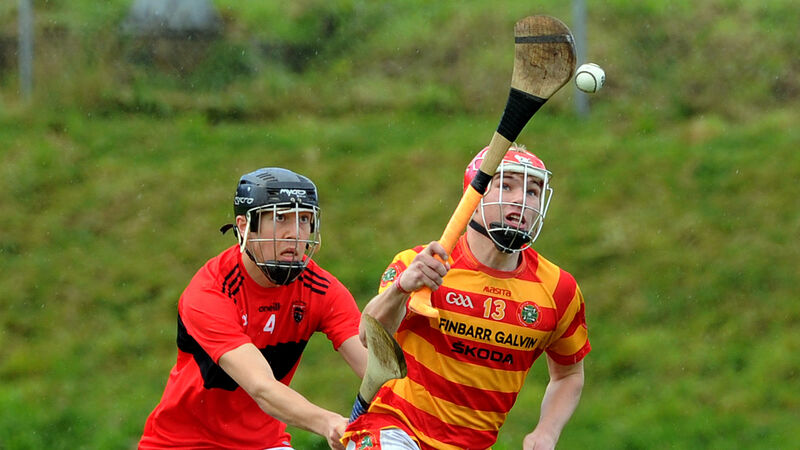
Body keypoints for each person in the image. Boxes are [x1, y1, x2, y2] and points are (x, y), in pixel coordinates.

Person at [343, 145, 590, 450]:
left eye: (532, 191)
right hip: (394, 430)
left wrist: (546, 432)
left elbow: (569, 374)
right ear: (474, 197)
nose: (521, 200)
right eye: (506, 186)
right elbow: (367, 336)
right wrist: (401, 289)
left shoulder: (558, 290)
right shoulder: (419, 264)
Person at [140, 167, 367, 450]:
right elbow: (261, 387)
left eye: (304, 219)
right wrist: (327, 422)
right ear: (244, 226)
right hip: (182, 444)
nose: (295, 234)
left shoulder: (321, 290)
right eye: (281, 218)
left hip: (265, 443)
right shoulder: (211, 291)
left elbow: (373, 368)